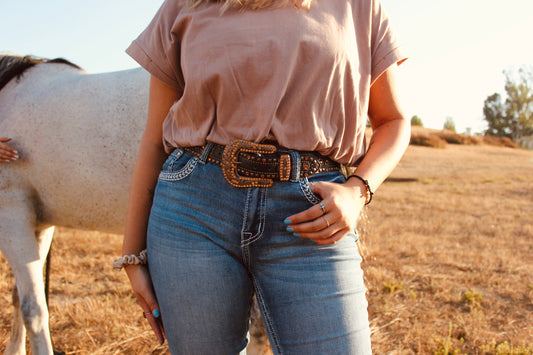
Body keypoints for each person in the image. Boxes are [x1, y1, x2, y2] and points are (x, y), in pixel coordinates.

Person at [113, 0, 410, 353]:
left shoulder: (360, 5)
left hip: (311, 217)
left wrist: (356, 191)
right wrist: (132, 256)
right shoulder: (186, 3)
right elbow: (154, 138)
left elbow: (393, 121)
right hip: (193, 213)